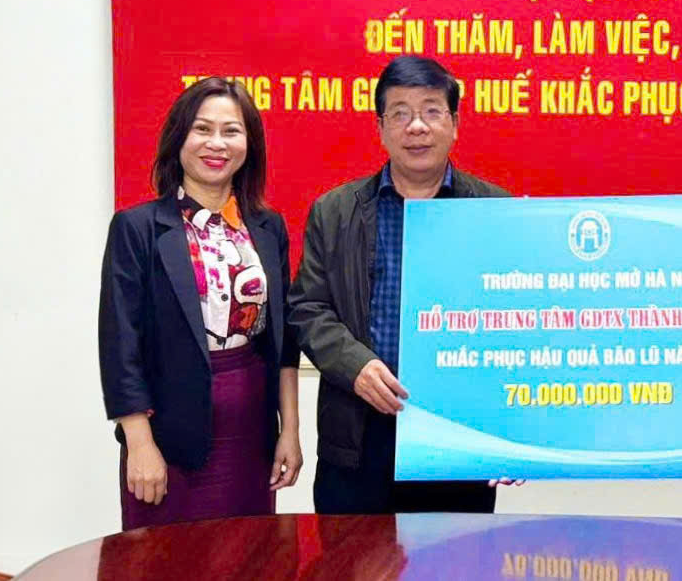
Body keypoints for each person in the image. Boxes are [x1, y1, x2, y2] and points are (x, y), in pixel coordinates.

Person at [289, 55, 511, 514]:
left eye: (431, 111)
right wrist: (355, 365)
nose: (417, 126)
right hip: (358, 432)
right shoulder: (335, 211)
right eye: (401, 113)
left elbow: (516, 322)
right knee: (354, 554)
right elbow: (308, 308)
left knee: (453, 554)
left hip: (456, 437)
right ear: (381, 127)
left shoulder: (494, 211)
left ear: (455, 124)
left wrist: (510, 435)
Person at [99, 77, 302, 531]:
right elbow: (120, 346)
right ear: (179, 139)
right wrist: (139, 444)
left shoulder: (267, 227)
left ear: (249, 143)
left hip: (250, 430)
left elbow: (284, 340)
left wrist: (289, 429)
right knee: (162, 557)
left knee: (249, 552)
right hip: (168, 434)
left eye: (231, 131)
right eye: (202, 129)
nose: (216, 143)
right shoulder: (138, 228)